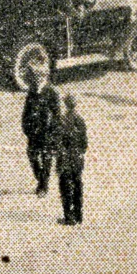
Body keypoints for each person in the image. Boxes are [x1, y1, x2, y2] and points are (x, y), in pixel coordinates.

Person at [21, 69, 62, 195]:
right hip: (33, 132)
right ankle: (41, 179)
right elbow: (26, 111)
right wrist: (26, 128)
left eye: (40, 76)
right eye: (36, 77)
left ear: (45, 77)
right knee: (32, 155)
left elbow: (57, 115)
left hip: (47, 132)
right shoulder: (32, 91)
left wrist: (54, 133)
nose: (37, 79)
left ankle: (43, 186)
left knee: (46, 159)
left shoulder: (52, 92)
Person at [55, 95, 87, 225]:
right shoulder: (80, 120)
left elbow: (57, 142)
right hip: (77, 157)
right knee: (77, 184)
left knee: (65, 186)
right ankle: (79, 215)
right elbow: (84, 142)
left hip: (65, 158)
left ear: (65, 104)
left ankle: (68, 216)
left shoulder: (61, 120)